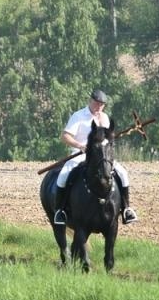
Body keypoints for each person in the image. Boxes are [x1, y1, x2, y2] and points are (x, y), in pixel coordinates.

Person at [52, 89, 137, 226]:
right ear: (90, 101)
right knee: (64, 175)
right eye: (97, 103)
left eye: (102, 105)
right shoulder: (78, 116)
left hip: (102, 157)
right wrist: (79, 145)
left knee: (123, 173)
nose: (99, 107)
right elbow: (65, 136)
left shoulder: (105, 118)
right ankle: (60, 211)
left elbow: (108, 138)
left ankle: (126, 209)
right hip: (81, 154)